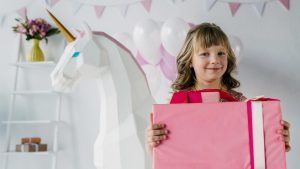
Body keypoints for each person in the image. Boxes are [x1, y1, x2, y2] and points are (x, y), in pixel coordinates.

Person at [145, 23, 291, 155]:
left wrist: (275, 138)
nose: (215, 60)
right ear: (190, 61)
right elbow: (170, 155)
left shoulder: (239, 102)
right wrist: (152, 144)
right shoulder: (178, 104)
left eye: (221, 53)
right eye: (204, 54)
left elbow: (250, 150)